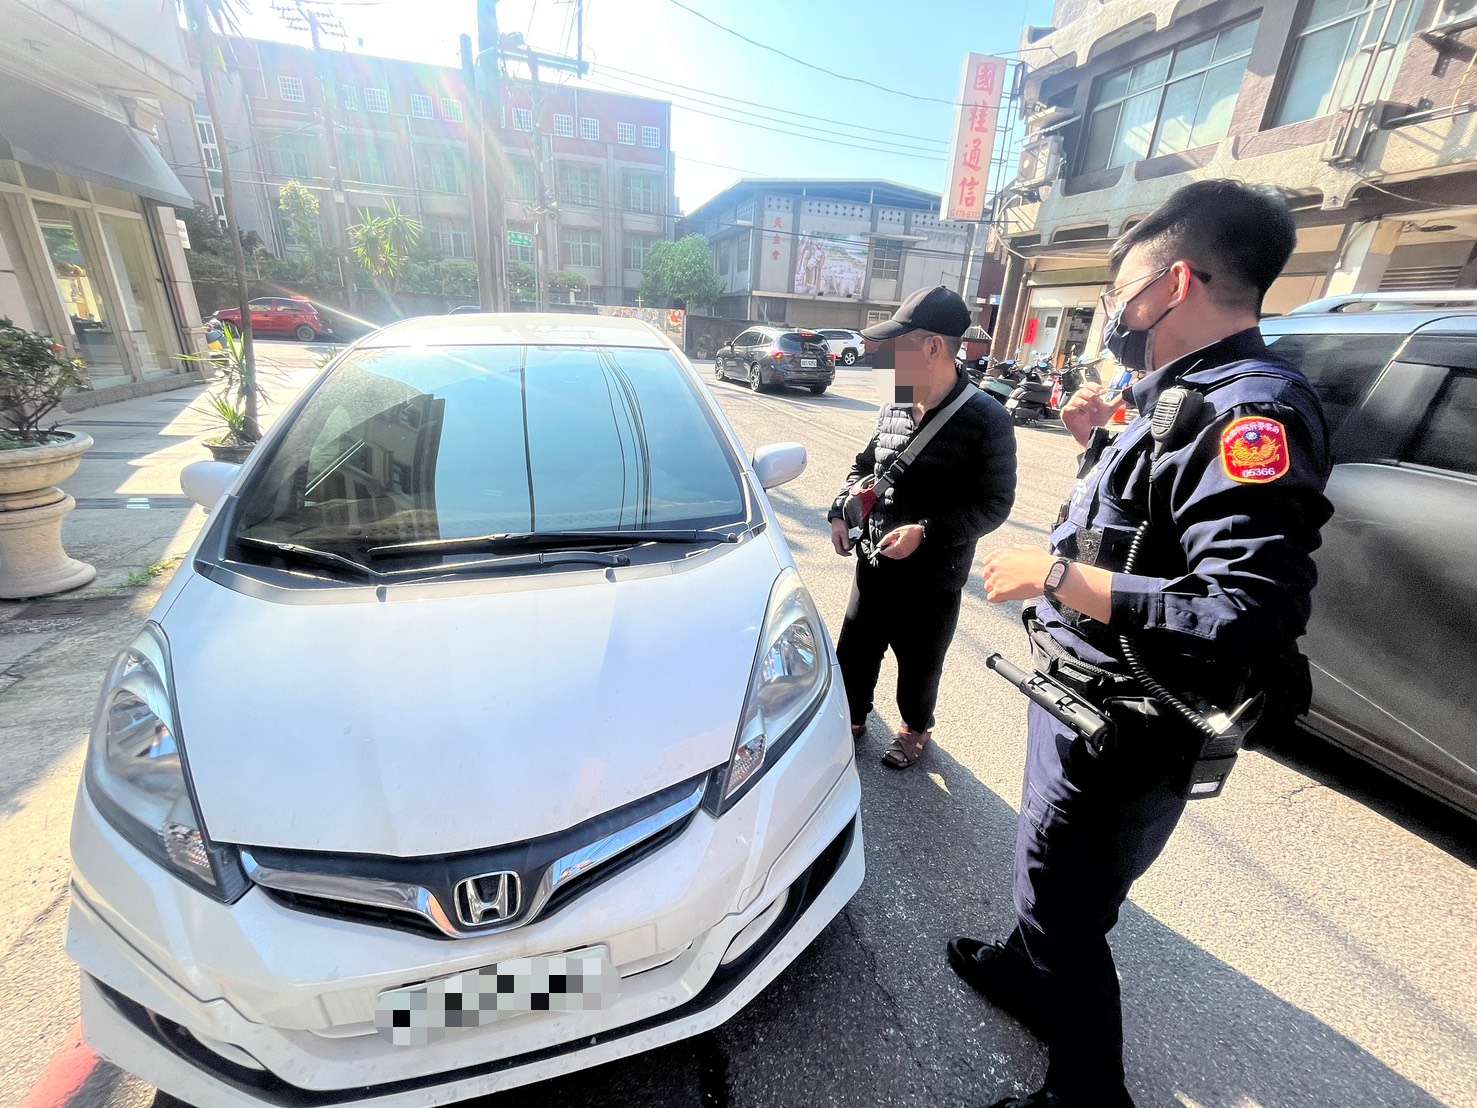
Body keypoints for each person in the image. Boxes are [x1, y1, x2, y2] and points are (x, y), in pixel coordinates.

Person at [951, 180, 1334, 1107]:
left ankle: (1085, 1094)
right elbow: (1139, 527)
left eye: (1122, 290)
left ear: (1174, 283)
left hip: (1126, 723)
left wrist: (1051, 577)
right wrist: (1093, 445)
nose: (1114, 314)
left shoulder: (1249, 413)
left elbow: (1243, 606)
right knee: (1049, 873)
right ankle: (1029, 973)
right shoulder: (1178, 396)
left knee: (1066, 901)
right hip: (1078, 693)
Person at [827, 285, 1016, 768]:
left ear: (932, 346)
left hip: (934, 577)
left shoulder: (988, 419)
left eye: (898, 345)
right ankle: (852, 717)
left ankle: (915, 729)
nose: (887, 356)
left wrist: (926, 533)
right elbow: (864, 465)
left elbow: (995, 504)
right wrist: (840, 510)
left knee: (920, 666)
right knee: (855, 651)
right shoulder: (897, 400)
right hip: (874, 560)